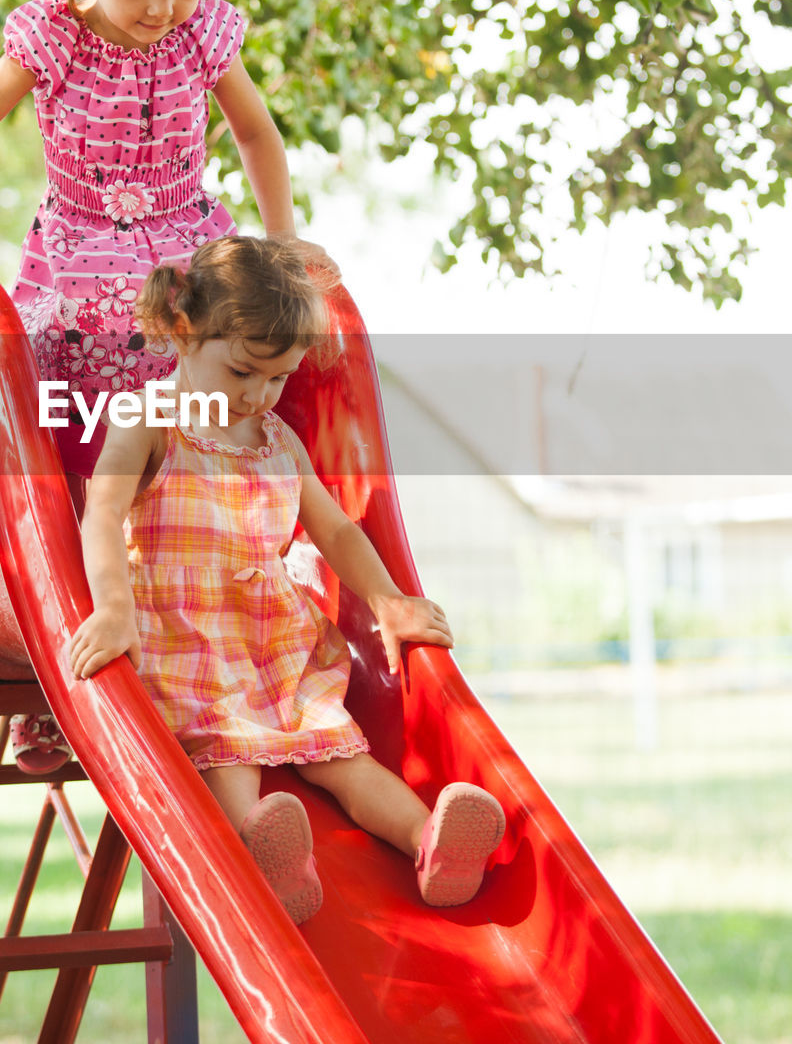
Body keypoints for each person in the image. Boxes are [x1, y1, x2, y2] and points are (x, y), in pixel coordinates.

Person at [0, 0, 331, 774]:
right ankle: (62, 682)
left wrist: (284, 238)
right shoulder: (52, 40)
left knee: (219, 415)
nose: (163, 8)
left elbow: (258, 135)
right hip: (81, 273)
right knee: (74, 464)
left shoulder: (202, 39)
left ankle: (237, 622)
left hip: (184, 262)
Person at [68, 237, 505, 923]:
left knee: (341, 751)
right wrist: (113, 609)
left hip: (272, 637)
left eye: (276, 379)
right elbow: (103, 511)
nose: (257, 395)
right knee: (226, 755)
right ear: (184, 332)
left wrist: (388, 602)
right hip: (186, 638)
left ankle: (431, 844)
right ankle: (265, 856)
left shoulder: (278, 440)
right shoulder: (148, 420)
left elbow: (336, 531)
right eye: (242, 371)